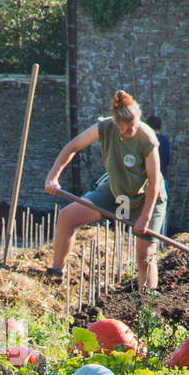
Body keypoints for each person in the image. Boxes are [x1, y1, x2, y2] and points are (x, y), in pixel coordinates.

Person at [44, 89, 166, 291]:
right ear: (116, 124)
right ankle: (56, 274)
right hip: (116, 190)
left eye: (133, 126)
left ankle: (148, 306)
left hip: (147, 197)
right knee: (67, 217)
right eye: (125, 130)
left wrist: (144, 218)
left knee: (145, 255)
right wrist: (53, 177)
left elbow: (153, 182)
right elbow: (73, 146)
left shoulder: (147, 139)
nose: (130, 132)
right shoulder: (104, 127)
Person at [148, 114, 172, 182]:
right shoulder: (165, 140)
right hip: (163, 177)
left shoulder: (148, 140)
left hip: (151, 180)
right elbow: (167, 161)